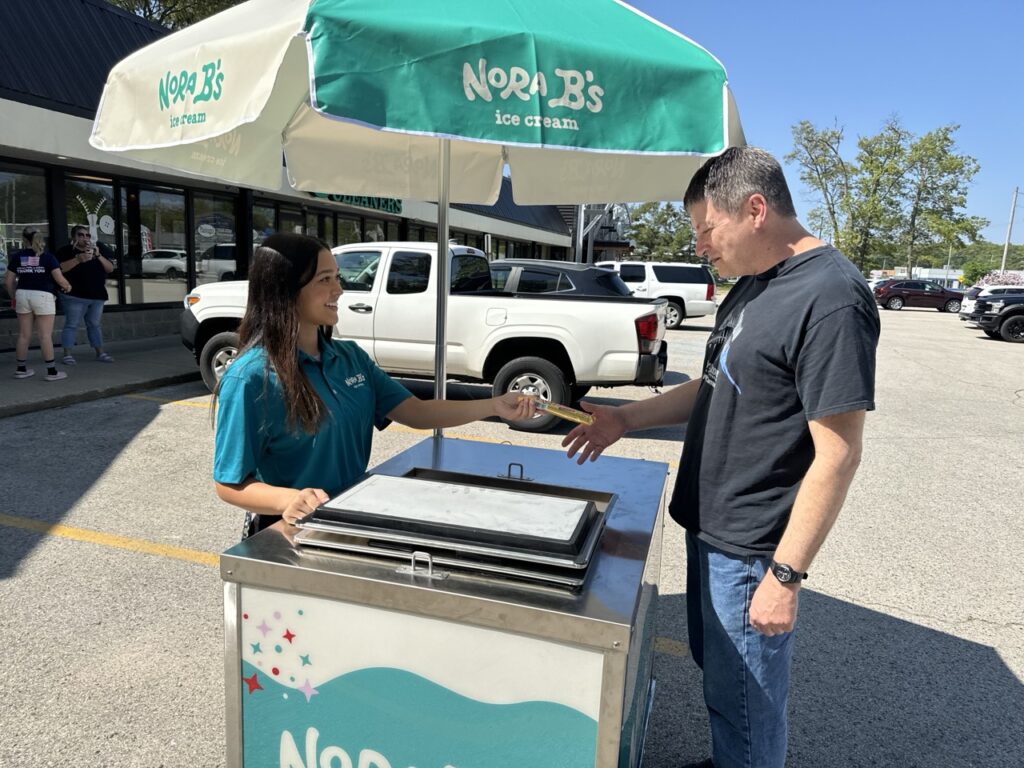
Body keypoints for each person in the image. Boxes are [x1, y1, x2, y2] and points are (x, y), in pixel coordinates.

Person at [561, 147, 880, 768]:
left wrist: (784, 576)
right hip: (711, 532)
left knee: (748, 700)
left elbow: (838, 455)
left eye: (707, 229)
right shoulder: (754, 289)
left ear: (755, 209)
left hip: (754, 549)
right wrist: (625, 418)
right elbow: (714, 382)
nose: (701, 245)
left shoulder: (832, 298)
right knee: (724, 688)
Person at [213, 233, 535, 536]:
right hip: (288, 531)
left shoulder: (349, 357)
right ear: (285, 289)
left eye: (337, 278)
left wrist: (493, 406)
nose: (338, 290)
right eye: (324, 280)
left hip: (350, 518)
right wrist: (288, 499)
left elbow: (418, 411)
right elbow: (229, 483)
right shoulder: (250, 378)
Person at [5, 227, 74, 381]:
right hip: (43, 295)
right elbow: (59, 278)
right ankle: (51, 372)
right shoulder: (48, 257)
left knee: (24, 335)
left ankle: (21, 369)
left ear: (24, 239)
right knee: (44, 336)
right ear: (41, 239)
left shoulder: (18, 257)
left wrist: (13, 296)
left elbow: (8, 281)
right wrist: (67, 286)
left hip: (22, 294)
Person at [56, 224, 115, 364]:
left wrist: (98, 255)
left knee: (95, 324)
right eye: (80, 235)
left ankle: (100, 353)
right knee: (72, 324)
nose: (84, 238)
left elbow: (110, 268)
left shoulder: (97, 249)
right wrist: (78, 259)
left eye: (87, 235)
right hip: (74, 295)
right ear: (74, 237)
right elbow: (58, 269)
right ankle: (67, 354)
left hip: (97, 295)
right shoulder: (66, 251)